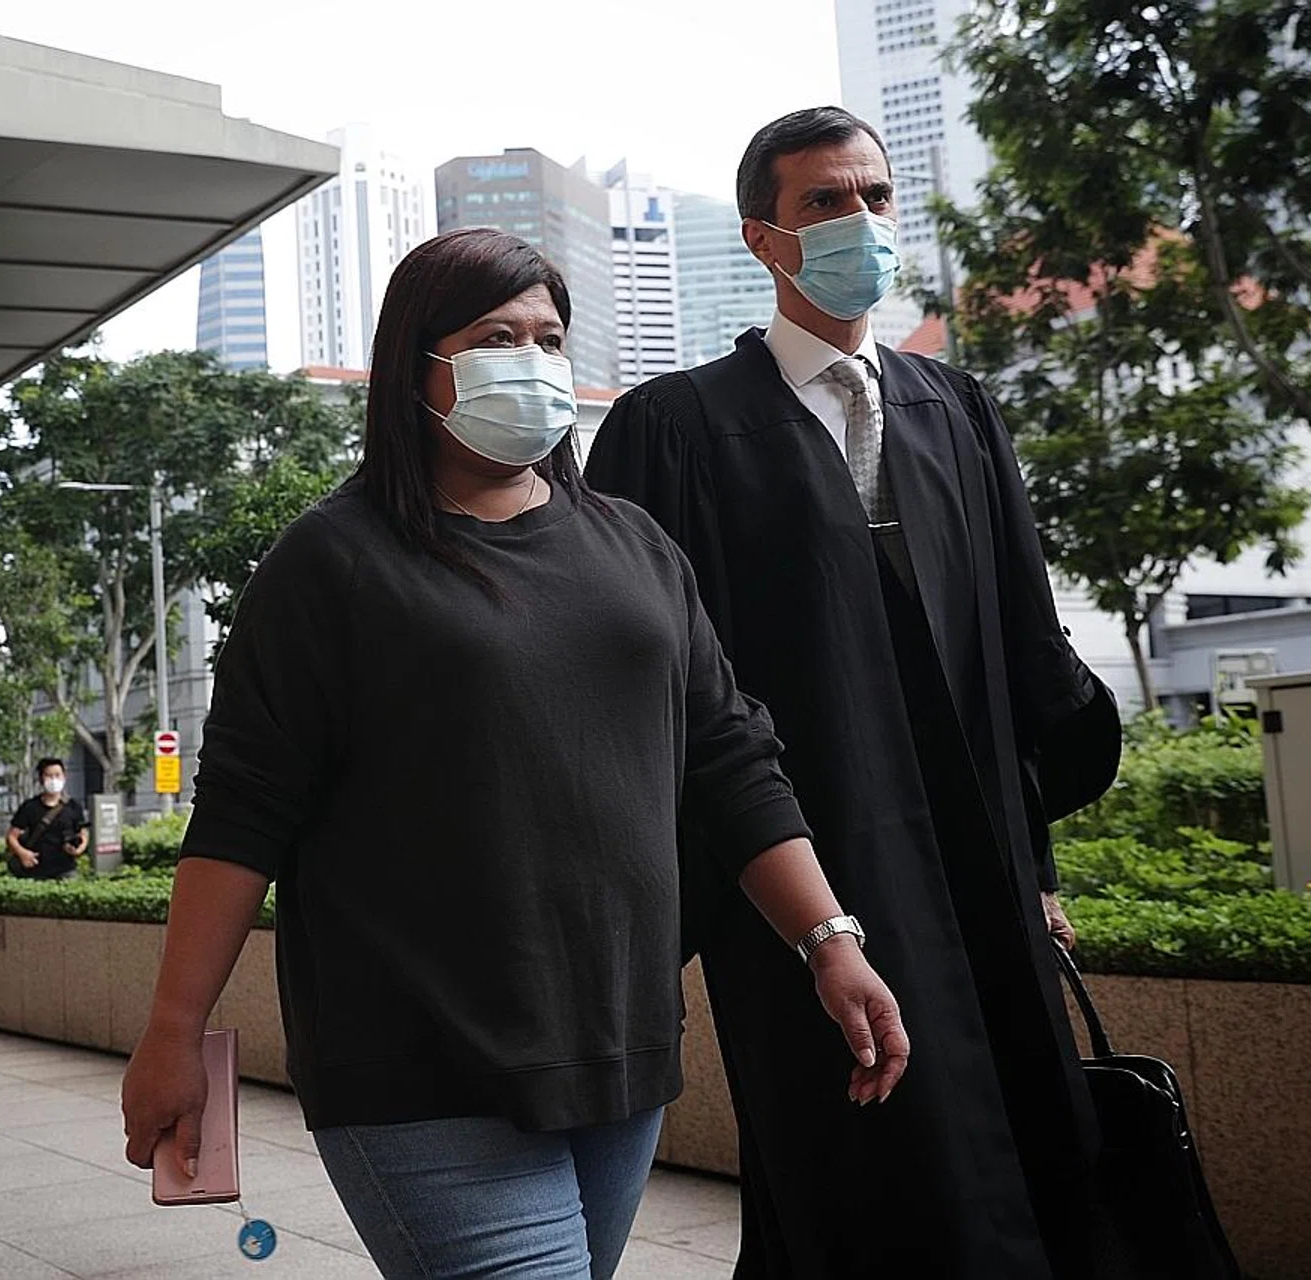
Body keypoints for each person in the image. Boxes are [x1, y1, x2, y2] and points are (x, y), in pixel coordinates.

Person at [121, 227, 910, 1280]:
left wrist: (830, 940)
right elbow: (241, 814)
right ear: (417, 366)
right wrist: (175, 1027)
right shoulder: (332, 561)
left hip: (621, 1052)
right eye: (498, 335)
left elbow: (733, 763)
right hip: (422, 1065)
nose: (533, 359)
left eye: (549, 337)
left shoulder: (634, 545)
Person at [585, 106, 1126, 1279]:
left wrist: (1036, 869)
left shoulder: (959, 410)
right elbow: (655, 695)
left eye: (876, 196)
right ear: (763, 238)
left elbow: (1024, 657)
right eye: (826, 201)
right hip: (805, 877)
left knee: (1032, 1157)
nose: (862, 221)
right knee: (856, 1169)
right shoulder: (671, 431)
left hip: (981, 861)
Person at [5, 758, 87, 880]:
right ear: (41, 779)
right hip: (35, 870)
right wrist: (22, 854)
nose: (54, 780)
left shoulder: (74, 806)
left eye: (57, 775)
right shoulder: (30, 807)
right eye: (49, 776)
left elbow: (83, 833)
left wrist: (79, 848)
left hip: (66, 870)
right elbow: (11, 836)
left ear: (64, 777)